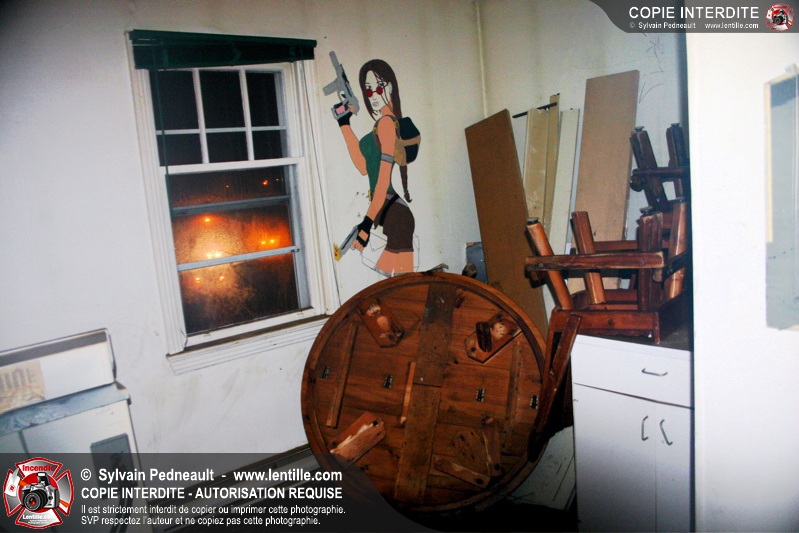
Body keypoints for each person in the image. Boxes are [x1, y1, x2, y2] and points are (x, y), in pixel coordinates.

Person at [335, 59, 415, 277]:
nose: (373, 95)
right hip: (393, 214)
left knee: (394, 284)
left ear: (390, 87)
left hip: (395, 215)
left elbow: (382, 180)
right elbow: (363, 167)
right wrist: (344, 124)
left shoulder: (387, 124)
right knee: (402, 284)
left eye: (379, 87)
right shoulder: (380, 126)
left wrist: (367, 223)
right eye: (368, 90)